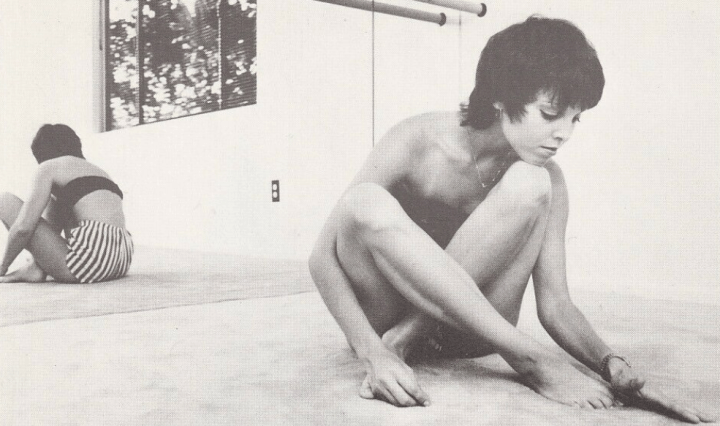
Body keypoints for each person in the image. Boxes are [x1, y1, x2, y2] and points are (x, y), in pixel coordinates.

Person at [308, 16, 715, 423]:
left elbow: (555, 304)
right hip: (387, 317)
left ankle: (414, 339)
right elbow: (321, 258)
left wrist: (611, 363)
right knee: (363, 201)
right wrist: (372, 352)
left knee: (532, 182)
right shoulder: (416, 141)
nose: (564, 134)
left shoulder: (545, 177)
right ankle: (524, 355)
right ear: (500, 98)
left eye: (574, 119)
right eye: (550, 113)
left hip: (471, 337)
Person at [0, 124, 133, 284]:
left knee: (4, 201)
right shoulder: (97, 171)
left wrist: (3, 266)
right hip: (121, 259)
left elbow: (23, 228)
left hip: (90, 261)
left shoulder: (48, 167)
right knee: (55, 200)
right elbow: (52, 227)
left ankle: (34, 268)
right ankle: (35, 268)